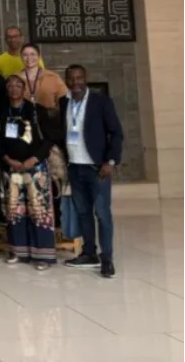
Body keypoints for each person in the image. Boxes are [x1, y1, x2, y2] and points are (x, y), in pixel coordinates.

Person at [61, 65, 123, 279]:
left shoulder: (101, 102)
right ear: (66, 81)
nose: (75, 82)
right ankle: (89, 254)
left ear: (85, 79)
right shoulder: (64, 102)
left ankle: (107, 259)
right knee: (83, 213)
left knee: (103, 214)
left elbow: (116, 133)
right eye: (71, 78)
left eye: (79, 77)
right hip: (75, 167)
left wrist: (111, 161)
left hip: (97, 168)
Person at [0, 76, 56, 270]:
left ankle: (43, 255)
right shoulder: (2, 111)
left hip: (36, 167)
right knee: (15, 210)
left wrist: (34, 159)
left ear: (24, 89)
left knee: (38, 209)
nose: (14, 89)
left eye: (18, 85)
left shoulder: (36, 110)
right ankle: (19, 251)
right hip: (12, 168)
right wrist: (8, 160)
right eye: (10, 86)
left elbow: (49, 139)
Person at [17, 43, 67, 109]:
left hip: (49, 117)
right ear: (21, 57)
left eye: (32, 54)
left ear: (39, 56)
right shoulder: (15, 78)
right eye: (25, 55)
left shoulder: (53, 77)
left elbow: (64, 100)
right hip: (24, 117)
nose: (29, 58)